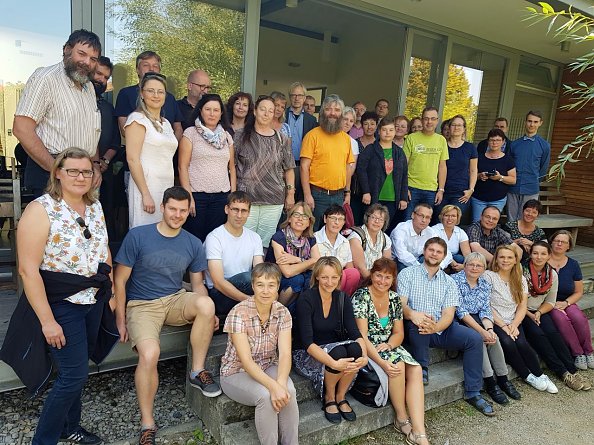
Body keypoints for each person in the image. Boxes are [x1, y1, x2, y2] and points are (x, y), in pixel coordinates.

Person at [4, 148, 111, 444]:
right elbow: (27, 270)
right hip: (61, 303)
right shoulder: (41, 209)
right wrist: (48, 321)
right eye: (73, 171)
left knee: (77, 370)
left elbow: (104, 251)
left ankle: (70, 427)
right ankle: (44, 440)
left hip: (92, 300)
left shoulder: (95, 206)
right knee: (73, 376)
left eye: (86, 171)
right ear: (58, 174)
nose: (80, 177)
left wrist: (109, 290)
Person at [114, 187, 221, 444]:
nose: (177, 214)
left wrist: (205, 309)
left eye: (183, 210)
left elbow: (197, 285)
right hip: (142, 305)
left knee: (206, 304)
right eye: (173, 208)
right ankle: (147, 424)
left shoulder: (193, 243)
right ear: (162, 207)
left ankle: (197, 371)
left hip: (174, 299)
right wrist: (120, 318)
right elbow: (119, 281)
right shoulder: (138, 236)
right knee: (150, 355)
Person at [399, 237, 493, 416]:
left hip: (441, 327)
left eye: (439, 252)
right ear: (424, 251)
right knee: (418, 324)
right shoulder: (407, 274)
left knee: (473, 338)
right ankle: (422, 368)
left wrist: (435, 327)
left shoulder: (449, 281)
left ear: (443, 257)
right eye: (431, 250)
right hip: (416, 326)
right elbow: (401, 305)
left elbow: (449, 314)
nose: (434, 254)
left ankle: (473, 391)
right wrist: (413, 314)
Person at [13, 29, 103, 197]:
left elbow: (92, 131)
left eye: (93, 59)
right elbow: (21, 129)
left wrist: (95, 166)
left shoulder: (89, 87)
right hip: (49, 175)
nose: (86, 62)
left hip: (83, 174)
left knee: (81, 224)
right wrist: (57, 170)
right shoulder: (45, 78)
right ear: (66, 50)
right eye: (81, 54)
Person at [353, 258, 430, 445]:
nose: (382, 281)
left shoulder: (394, 298)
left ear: (393, 279)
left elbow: (398, 333)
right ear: (371, 275)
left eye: (387, 277)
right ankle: (402, 419)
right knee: (397, 365)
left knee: (417, 369)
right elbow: (361, 335)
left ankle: (419, 432)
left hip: (389, 346)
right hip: (367, 347)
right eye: (379, 275)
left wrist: (389, 345)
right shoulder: (361, 296)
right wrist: (382, 362)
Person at [220, 263, 298, 445]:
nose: (265, 291)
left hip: (268, 364)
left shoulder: (283, 312)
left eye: (271, 285)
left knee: (290, 391)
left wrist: (280, 384)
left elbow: (285, 354)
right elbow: (246, 361)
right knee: (265, 395)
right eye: (260, 285)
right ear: (253, 286)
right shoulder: (239, 313)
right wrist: (274, 387)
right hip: (236, 372)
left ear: (278, 287)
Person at [294, 257, 367, 424]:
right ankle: (329, 396)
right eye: (325, 277)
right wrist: (333, 364)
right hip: (307, 354)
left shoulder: (342, 298)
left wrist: (365, 356)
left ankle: (341, 396)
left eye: (334, 277)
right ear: (317, 276)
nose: (329, 282)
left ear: (340, 278)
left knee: (355, 349)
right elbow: (307, 343)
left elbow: (355, 332)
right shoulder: (306, 299)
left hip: (333, 348)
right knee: (339, 353)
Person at [485, 245, 556, 393]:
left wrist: (515, 324)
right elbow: (486, 306)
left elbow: (522, 306)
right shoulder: (488, 276)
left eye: (509, 257)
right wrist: (504, 326)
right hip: (495, 319)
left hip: (514, 319)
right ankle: (528, 376)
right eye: (502, 257)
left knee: (523, 344)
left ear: (515, 260)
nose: (505, 260)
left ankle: (541, 375)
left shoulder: (520, 279)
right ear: (496, 259)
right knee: (508, 343)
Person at [521, 242, 591, 391]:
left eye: (543, 254)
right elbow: (515, 300)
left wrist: (539, 312)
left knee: (553, 333)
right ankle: (563, 372)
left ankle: (573, 370)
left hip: (540, 310)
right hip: (522, 311)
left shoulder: (552, 274)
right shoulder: (521, 271)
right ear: (530, 254)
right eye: (535, 253)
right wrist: (530, 315)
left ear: (548, 255)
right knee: (538, 334)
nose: (539, 257)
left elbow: (551, 301)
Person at [453, 253, 521, 405]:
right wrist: (482, 332)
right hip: (459, 319)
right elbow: (461, 311)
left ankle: (503, 379)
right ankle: (490, 382)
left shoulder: (484, 284)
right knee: (479, 341)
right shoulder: (455, 281)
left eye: (479, 266)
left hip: (477, 318)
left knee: (494, 338)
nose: (475, 268)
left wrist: (489, 329)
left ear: (484, 269)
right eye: (471, 264)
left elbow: (485, 309)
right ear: (465, 265)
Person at [234, 95, 296, 247]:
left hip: (273, 199)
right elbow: (231, 167)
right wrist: (233, 194)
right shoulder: (240, 136)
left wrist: (290, 194)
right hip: (246, 199)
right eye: (263, 109)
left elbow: (289, 169)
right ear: (254, 111)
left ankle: (259, 271)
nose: (266, 113)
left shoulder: (282, 139)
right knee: (242, 240)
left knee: (264, 243)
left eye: (270, 110)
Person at [178, 93, 235, 241]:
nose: (212, 113)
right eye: (208, 109)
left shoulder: (227, 136)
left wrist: (232, 195)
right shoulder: (190, 133)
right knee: (195, 239)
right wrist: (188, 196)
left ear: (221, 113)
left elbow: (232, 168)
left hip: (221, 196)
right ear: (200, 110)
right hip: (197, 195)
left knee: (215, 239)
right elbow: (182, 167)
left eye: (216, 110)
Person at [124, 72, 177, 229]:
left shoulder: (166, 123)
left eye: (160, 91)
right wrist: (145, 194)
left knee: (164, 231)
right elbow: (132, 159)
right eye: (150, 91)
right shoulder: (137, 120)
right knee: (145, 233)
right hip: (146, 186)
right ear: (142, 93)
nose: (156, 95)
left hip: (165, 185)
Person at [205, 192, 264, 318]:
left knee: (266, 278)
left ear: (248, 213)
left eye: (244, 211)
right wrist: (250, 301)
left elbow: (261, 272)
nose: (239, 215)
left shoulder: (255, 237)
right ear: (227, 209)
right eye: (235, 210)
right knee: (249, 278)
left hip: (247, 291)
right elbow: (218, 282)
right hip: (220, 295)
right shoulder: (214, 238)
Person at [300, 94, 355, 229]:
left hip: (339, 195)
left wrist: (347, 193)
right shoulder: (312, 135)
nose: (333, 113)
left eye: (337, 110)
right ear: (322, 112)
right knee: (312, 232)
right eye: (329, 109)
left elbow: (348, 167)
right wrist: (307, 195)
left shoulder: (345, 139)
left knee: (334, 233)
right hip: (317, 195)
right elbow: (304, 167)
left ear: (341, 113)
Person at [548, 230, 594, 370]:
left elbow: (579, 291)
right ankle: (578, 353)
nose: (559, 244)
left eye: (564, 242)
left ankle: (588, 351)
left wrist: (567, 303)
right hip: (549, 302)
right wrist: (554, 304)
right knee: (562, 320)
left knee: (579, 318)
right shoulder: (543, 259)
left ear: (569, 246)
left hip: (567, 300)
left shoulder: (573, 264)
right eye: (557, 240)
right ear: (552, 242)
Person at [114, 50, 183, 140]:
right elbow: (124, 130)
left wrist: (170, 146)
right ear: (137, 70)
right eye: (146, 65)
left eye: (155, 66)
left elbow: (178, 128)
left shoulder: (170, 98)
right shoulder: (126, 94)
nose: (151, 69)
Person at [357, 117, 408, 234]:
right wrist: (366, 191)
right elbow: (361, 170)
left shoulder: (399, 152)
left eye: (391, 130)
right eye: (384, 130)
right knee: (370, 226)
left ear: (395, 132)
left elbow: (404, 175)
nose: (387, 133)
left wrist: (403, 197)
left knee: (386, 228)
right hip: (373, 195)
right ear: (379, 131)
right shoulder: (370, 149)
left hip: (392, 197)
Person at [266, 202, 321, 307]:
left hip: (301, 276)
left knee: (312, 280)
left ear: (309, 222)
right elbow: (287, 272)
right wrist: (311, 262)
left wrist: (298, 259)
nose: (300, 219)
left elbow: (319, 265)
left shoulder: (310, 239)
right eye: (296, 215)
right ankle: (277, 310)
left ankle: (304, 314)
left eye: (305, 216)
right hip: (276, 277)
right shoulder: (279, 238)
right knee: (297, 280)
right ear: (290, 219)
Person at [92, 56, 121, 238]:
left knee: (103, 216)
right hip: (79, 169)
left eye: (106, 77)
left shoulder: (108, 108)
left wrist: (104, 161)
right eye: (98, 74)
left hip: (104, 170)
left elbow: (115, 142)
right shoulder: (77, 102)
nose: (101, 80)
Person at [403, 107, 449, 220]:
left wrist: (441, 190)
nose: (429, 122)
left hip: (431, 190)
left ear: (437, 121)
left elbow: (442, 166)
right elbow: (403, 164)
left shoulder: (441, 140)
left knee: (425, 223)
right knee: (408, 222)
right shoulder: (411, 138)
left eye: (433, 119)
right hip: (411, 188)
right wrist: (404, 188)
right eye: (426, 118)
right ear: (422, 120)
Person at [507, 110, 551, 221]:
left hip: (531, 187)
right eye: (529, 121)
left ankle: (523, 239)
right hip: (513, 187)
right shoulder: (514, 144)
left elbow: (543, 168)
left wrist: (533, 179)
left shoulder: (544, 145)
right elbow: (508, 166)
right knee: (511, 219)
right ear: (525, 122)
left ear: (540, 123)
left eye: (535, 122)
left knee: (526, 219)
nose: (532, 124)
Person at [314, 205, 361, 295]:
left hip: (340, 279)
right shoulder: (315, 239)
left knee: (353, 273)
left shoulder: (345, 241)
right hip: (321, 278)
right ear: (325, 219)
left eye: (340, 219)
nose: (336, 222)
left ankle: (343, 301)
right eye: (333, 218)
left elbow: (349, 266)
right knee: (339, 275)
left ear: (344, 222)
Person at [391, 203, 452, 272]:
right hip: (398, 261)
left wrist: (439, 267)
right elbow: (402, 255)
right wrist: (421, 269)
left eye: (427, 217)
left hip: (418, 261)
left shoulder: (430, 231)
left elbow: (446, 252)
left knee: (432, 259)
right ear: (413, 215)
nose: (424, 220)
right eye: (421, 216)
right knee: (402, 265)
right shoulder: (401, 230)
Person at [471, 128, 516, 221]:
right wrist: (480, 176)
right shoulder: (479, 157)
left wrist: (500, 177)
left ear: (503, 142)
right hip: (478, 198)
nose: (494, 143)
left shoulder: (508, 159)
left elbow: (513, 180)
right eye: (492, 140)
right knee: (477, 223)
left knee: (491, 224)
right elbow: (470, 173)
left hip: (498, 199)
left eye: (498, 140)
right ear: (488, 141)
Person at [440, 115, 477, 219]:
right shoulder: (442, 145)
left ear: (464, 129)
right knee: (439, 221)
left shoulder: (470, 148)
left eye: (459, 125)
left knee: (453, 221)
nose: (456, 128)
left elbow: (473, 171)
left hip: (461, 193)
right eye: (454, 125)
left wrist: (471, 189)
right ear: (449, 127)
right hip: (442, 191)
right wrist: (440, 190)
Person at [286, 82, 318, 200]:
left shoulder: (312, 120)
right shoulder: (282, 116)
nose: (297, 98)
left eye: (300, 95)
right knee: (285, 199)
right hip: (284, 165)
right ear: (290, 97)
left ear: (304, 97)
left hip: (302, 165)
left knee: (300, 199)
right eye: (293, 95)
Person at [348, 203, 392, 280]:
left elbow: (387, 265)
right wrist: (374, 283)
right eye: (373, 217)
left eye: (381, 219)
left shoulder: (385, 239)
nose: (376, 221)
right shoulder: (356, 237)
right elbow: (360, 268)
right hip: (360, 279)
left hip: (378, 279)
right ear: (367, 218)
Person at [432, 205, 471, 271]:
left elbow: (467, 254)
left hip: (454, 260)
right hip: (438, 256)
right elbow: (440, 250)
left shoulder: (460, 232)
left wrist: (464, 266)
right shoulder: (434, 230)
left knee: (460, 258)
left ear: (457, 218)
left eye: (453, 216)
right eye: (447, 215)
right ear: (442, 217)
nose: (450, 218)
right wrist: (453, 263)